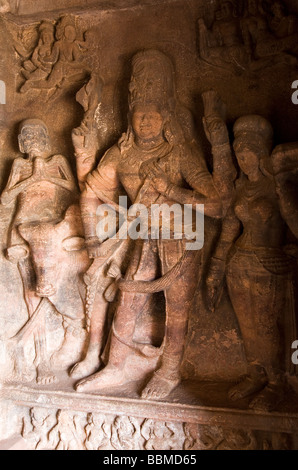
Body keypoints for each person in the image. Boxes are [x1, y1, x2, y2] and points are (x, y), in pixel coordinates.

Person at [73, 50, 229, 400]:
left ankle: (170, 371)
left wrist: (171, 190)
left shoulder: (180, 153)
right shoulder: (122, 153)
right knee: (128, 298)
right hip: (143, 239)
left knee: (177, 307)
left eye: (152, 115)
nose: (145, 121)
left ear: (165, 117)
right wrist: (94, 242)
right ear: (131, 117)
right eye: (139, 114)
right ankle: (115, 366)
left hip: (183, 239)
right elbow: (91, 191)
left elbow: (217, 206)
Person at [206, 114, 298, 411]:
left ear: (261, 155)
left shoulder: (277, 188)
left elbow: (296, 226)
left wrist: (285, 195)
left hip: (269, 265)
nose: (244, 160)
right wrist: (216, 267)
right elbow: (229, 230)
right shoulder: (240, 189)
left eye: (249, 154)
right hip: (238, 263)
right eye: (239, 154)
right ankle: (255, 374)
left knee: (267, 327)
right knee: (247, 326)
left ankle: (276, 383)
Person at [1, 119, 87, 383]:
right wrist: (29, 179)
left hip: (53, 232)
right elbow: (5, 199)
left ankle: (25, 345)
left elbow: (75, 189)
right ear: (19, 143)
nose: (31, 139)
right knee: (32, 295)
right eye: (25, 136)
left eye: (36, 134)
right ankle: (40, 359)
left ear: (46, 138)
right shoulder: (20, 165)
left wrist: (46, 176)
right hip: (23, 231)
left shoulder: (58, 161)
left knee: (51, 289)